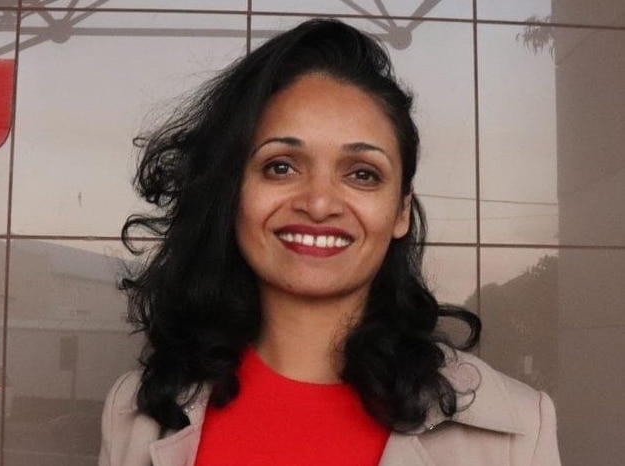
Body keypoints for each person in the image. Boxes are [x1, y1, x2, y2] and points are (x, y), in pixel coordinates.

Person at [99, 19, 561, 466]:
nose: (319, 203)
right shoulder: (134, 412)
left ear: (401, 211)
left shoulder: (517, 431)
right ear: (233, 193)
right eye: (281, 166)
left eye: (363, 174)